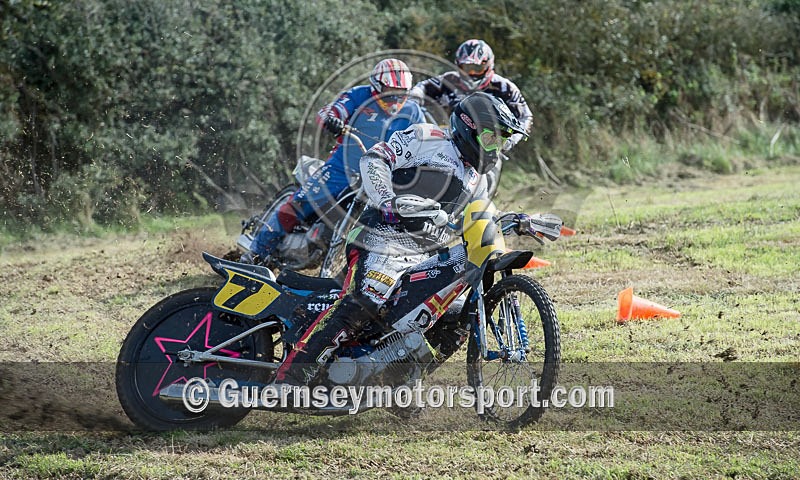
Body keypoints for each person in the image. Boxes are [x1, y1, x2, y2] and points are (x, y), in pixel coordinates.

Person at [273, 92, 528, 385]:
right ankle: (291, 375)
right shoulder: (427, 138)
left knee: (458, 316)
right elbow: (374, 159)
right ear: (468, 127)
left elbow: (478, 215)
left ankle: (399, 382)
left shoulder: (478, 179)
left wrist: (518, 220)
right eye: (491, 138)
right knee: (367, 298)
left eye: (502, 141)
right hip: (380, 235)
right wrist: (388, 200)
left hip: (424, 254)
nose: (495, 148)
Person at [245, 59, 426, 263]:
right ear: (376, 85)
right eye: (390, 90)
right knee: (299, 204)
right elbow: (330, 110)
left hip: (384, 175)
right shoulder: (359, 95)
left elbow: (429, 137)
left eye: (400, 92)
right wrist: (332, 119)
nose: (395, 98)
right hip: (343, 168)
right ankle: (254, 253)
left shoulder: (413, 111)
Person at [409, 39, 533, 152]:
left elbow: (525, 117)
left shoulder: (504, 87)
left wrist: (510, 141)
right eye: (466, 68)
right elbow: (421, 88)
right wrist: (414, 99)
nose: (471, 73)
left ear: (488, 66)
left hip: (487, 146)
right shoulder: (449, 80)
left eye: (477, 68)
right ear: (458, 65)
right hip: (447, 142)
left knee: (488, 174)